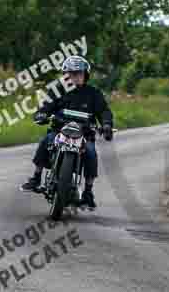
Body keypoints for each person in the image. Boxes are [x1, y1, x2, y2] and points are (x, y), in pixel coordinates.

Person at [20, 55, 114, 209]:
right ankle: (36, 177)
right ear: (65, 75)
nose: (74, 76)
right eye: (70, 73)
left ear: (85, 75)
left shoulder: (94, 93)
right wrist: (41, 114)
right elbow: (46, 105)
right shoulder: (57, 90)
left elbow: (104, 111)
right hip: (59, 131)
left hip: (84, 134)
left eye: (78, 73)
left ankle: (88, 192)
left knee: (91, 153)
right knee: (45, 141)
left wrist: (107, 125)